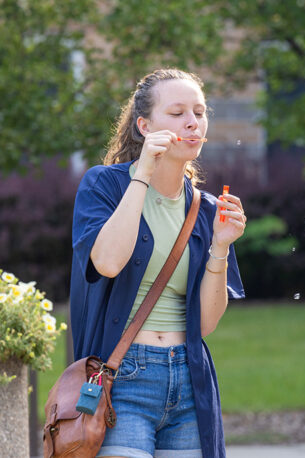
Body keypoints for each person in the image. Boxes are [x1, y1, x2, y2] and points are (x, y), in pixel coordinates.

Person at [70, 68, 246, 457]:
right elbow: (108, 262)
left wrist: (220, 247)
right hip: (122, 377)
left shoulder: (207, 210)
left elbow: (205, 323)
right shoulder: (103, 186)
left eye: (199, 112)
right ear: (144, 125)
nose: (192, 122)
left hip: (189, 379)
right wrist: (145, 172)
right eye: (178, 112)